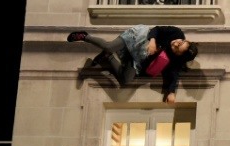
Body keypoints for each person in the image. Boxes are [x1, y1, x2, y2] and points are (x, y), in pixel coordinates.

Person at [67, 25, 198, 104]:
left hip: (138, 58)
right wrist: (153, 41)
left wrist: (171, 93)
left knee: (126, 80)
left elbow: (174, 75)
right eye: (181, 42)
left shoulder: (174, 60)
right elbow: (157, 29)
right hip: (139, 38)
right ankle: (84, 36)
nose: (176, 43)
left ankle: (108, 57)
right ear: (185, 40)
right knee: (109, 46)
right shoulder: (177, 33)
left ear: (178, 55)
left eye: (177, 48)